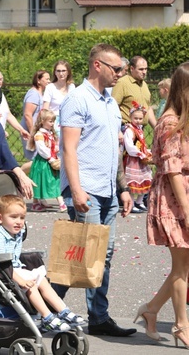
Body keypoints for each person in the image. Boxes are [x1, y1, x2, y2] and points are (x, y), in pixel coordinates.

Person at [51, 43, 136, 337]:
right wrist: (75, 190)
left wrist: (123, 188)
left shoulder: (110, 102)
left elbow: (113, 148)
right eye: (117, 69)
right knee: (83, 256)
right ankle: (44, 309)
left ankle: (98, 317)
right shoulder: (78, 99)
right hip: (86, 189)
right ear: (98, 65)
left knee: (102, 256)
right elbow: (68, 149)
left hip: (108, 190)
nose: (120, 74)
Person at [0, 194, 86, 332]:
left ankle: (63, 311)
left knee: (41, 280)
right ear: (0, 218)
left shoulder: (16, 231)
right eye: (13, 217)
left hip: (14, 269)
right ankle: (47, 316)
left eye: (22, 217)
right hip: (2, 273)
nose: (19, 222)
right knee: (31, 285)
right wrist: (20, 280)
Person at [139, 62, 189, 346]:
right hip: (174, 199)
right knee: (182, 266)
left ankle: (151, 310)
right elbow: (171, 170)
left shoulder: (180, 118)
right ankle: (182, 326)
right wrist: (186, 210)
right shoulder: (170, 122)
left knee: (184, 266)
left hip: (181, 194)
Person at [28, 109, 65, 212]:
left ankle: (39, 202)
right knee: (41, 181)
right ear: (42, 121)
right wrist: (50, 158)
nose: (52, 124)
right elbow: (42, 149)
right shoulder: (39, 135)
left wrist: (56, 150)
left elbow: (53, 146)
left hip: (50, 159)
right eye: (50, 121)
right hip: (44, 162)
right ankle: (60, 203)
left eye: (53, 121)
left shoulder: (49, 133)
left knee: (54, 180)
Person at [122, 102, 152, 213]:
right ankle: (132, 203)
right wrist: (140, 153)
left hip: (140, 159)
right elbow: (129, 147)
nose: (138, 120)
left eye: (140, 118)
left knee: (146, 180)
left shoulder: (139, 129)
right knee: (132, 183)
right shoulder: (129, 130)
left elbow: (142, 144)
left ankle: (139, 202)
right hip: (133, 159)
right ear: (130, 117)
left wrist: (147, 152)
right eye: (136, 118)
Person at [111, 55, 157, 129]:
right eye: (141, 69)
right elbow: (113, 107)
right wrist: (117, 130)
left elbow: (148, 108)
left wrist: (156, 128)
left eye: (146, 69)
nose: (144, 72)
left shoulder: (144, 85)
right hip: (126, 129)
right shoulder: (122, 83)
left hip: (140, 129)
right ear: (132, 68)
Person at [22, 69, 50, 161]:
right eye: (47, 79)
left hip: (36, 131)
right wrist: (32, 133)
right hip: (30, 131)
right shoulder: (34, 94)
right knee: (35, 160)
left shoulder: (39, 93)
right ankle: (18, 174)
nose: (49, 81)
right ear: (38, 80)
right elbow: (27, 114)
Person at [42, 60, 76, 135]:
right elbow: (45, 109)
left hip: (69, 120)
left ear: (68, 72)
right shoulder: (50, 87)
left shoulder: (71, 87)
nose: (61, 73)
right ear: (55, 72)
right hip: (54, 122)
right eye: (58, 71)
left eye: (63, 71)